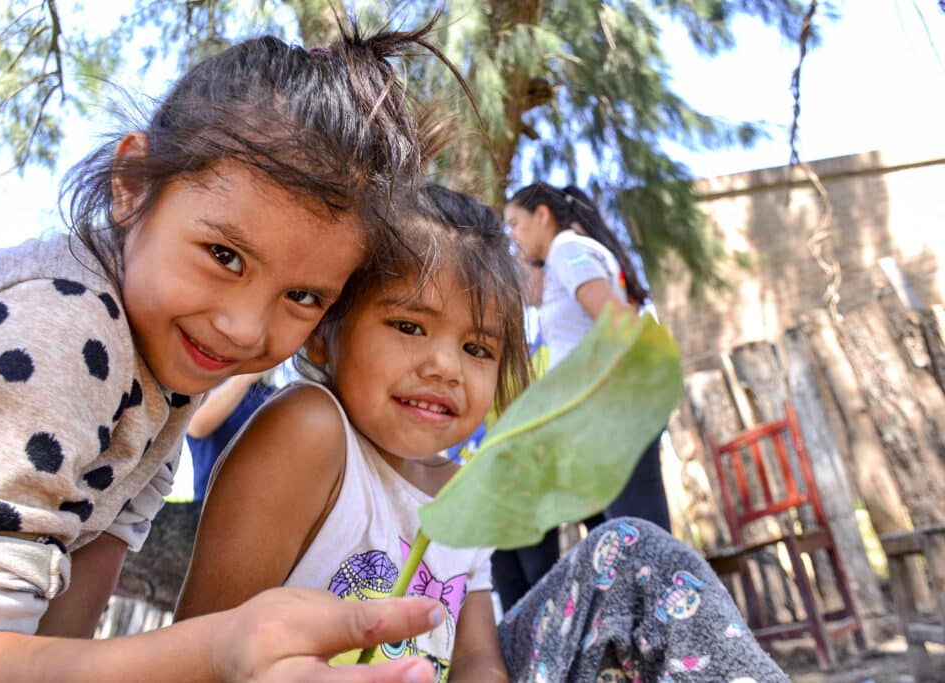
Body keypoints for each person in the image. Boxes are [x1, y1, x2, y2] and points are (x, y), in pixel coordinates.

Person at [0, 22, 455, 683]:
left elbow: (67, 623)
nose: (242, 327)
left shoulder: (170, 372)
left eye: (304, 295)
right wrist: (217, 650)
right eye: (224, 255)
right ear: (132, 185)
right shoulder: (62, 332)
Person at [177, 185, 788, 682]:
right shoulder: (309, 429)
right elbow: (200, 649)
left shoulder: (463, 488)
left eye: (477, 347)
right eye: (409, 325)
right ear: (321, 335)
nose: (446, 366)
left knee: (631, 552)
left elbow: (474, 657)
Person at [492, 181, 673, 612]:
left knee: (642, 538)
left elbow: (619, 324)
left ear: (543, 215)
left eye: (515, 223)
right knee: (614, 539)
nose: (512, 235)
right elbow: (536, 296)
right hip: (594, 425)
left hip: (612, 416)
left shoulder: (567, 252)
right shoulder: (561, 259)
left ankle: (679, 639)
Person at [186, 371, 278, 502]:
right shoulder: (210, 387)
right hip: (213, 504)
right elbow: (196, 425)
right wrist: (247, 376)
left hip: (263, 503)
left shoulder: (271, 393)